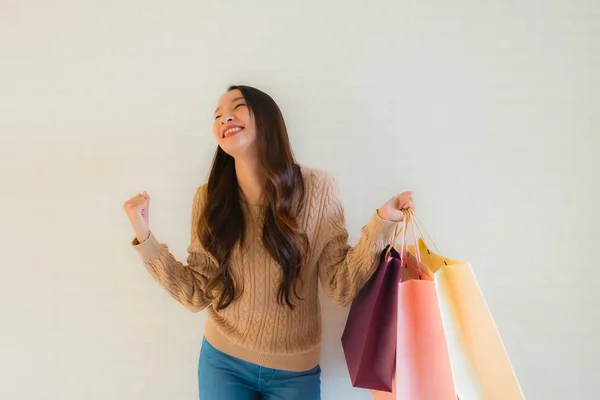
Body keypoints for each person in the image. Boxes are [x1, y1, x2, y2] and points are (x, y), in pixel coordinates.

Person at [123, 85, 414, 400]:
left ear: (267, 119)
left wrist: (383, 222)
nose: (225, 118)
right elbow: (196, 295)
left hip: (295, 370)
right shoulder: (208, 199)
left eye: (237, 107)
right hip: (222, 360)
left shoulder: (318, 190)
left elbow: (339, 287)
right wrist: (144, 237)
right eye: (218, 115)